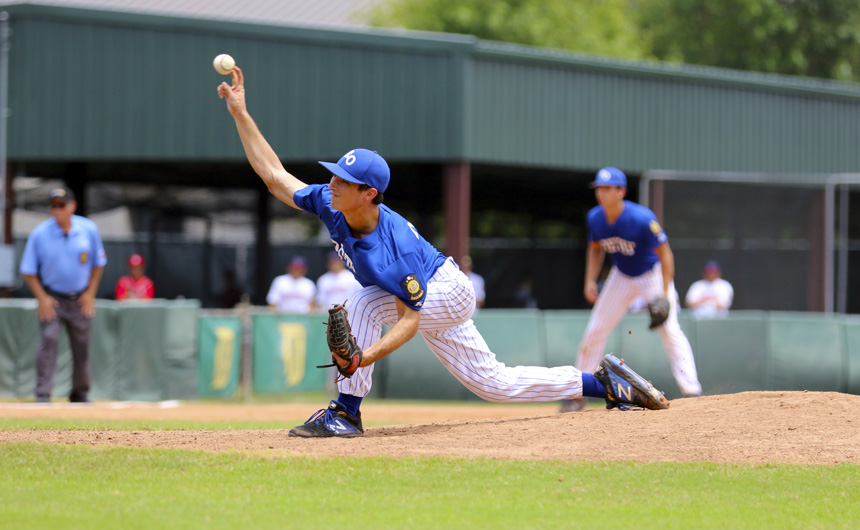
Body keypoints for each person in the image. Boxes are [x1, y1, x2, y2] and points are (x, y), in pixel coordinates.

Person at [218, 66, 669, 438]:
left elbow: (409, 320)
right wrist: (241, 113)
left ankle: (346, 411)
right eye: (334, 175)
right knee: (493, 383)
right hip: (427, 294)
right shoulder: (331, 202)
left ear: (369, 193)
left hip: (446, 290)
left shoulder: (392, 247)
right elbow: (275, 176)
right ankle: (604, 383)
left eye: (342, 180)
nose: (331, 182)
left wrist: (362, 358)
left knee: (362, 303)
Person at [561, 167, 703, 413]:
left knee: (670, 330)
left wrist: (665, 294)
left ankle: (692, 390)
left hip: (651, 274)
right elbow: (595, 249)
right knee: (595, 330)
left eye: (607, 188)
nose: (601, 193)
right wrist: (590, 280)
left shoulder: (641, 218)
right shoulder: (595, 217)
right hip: (621, 276)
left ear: (621, 191)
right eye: (599, 188)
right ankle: (577, 395)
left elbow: (666, 255)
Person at [19, 186, 108, 403]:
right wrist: (42, 298)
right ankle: (43, 394)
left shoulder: (88, 229)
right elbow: (28, 270)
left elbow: (98, 264)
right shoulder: (40, 233)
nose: (57, 210)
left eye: (61, 205)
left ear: (72, 206)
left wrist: (90, 293)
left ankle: (80, 392)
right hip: (53, 297)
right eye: (53, 206)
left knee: (82, 344)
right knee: (48, 339)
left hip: (80, 297)